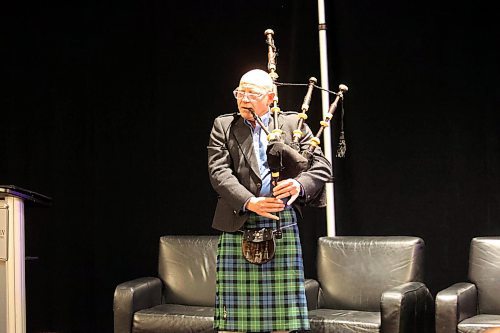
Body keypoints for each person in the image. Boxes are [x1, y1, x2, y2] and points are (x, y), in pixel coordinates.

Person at [208, 68, 332, 333]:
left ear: (270, 97)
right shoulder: (224, 125)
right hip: (238, 219)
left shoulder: (291, 124)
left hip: (280, 221)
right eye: (240, 92)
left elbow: (322, 165)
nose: (243, 98)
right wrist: (250, 201)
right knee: (234, 325)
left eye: (251, 93)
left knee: (282, 322)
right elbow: (219, 172)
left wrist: (299, 184)